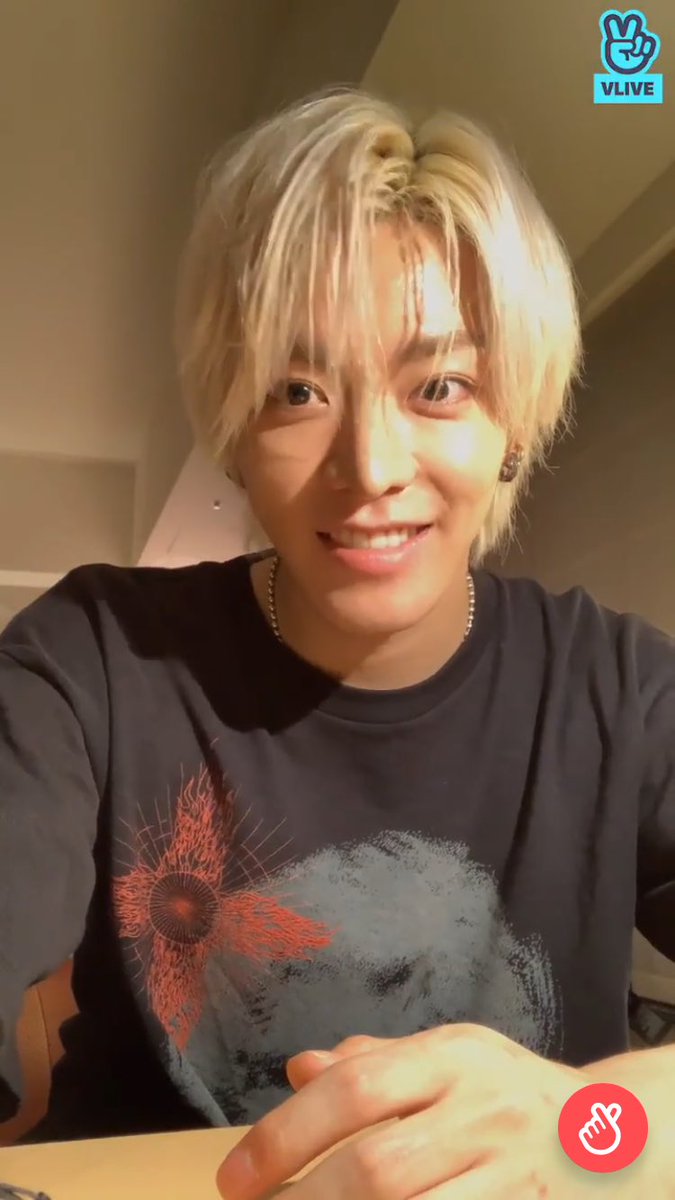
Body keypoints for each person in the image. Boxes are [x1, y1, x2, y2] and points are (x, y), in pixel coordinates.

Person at [1, 87, 673, 1196]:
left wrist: (598, 1122)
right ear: (233, 428)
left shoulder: (621, 692)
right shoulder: (93, 662)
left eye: (439, 386)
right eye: (297, 389)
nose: (370, 467)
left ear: (512, 420)